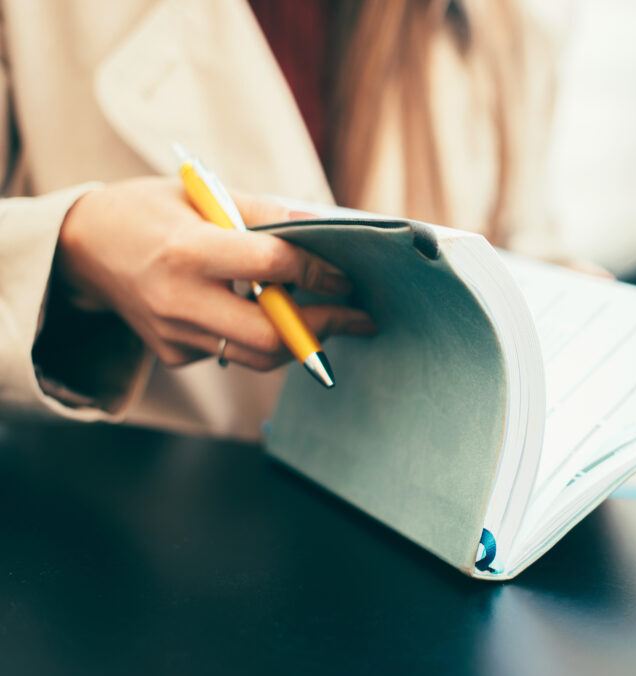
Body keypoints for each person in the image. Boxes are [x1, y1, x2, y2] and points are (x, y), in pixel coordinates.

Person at [0, 0, 557, 439]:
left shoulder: (499, 26)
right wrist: (69, 248)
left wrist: (560, 304)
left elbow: (522, 240)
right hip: (138, 511)